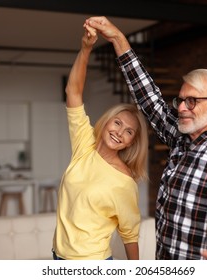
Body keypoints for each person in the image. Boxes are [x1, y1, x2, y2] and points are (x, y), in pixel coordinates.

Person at [86, 16, 207, 260]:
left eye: (193, 101)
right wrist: (117, 38)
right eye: (181, 100)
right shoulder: (181, 137)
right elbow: (148, 97)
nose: (181, 108)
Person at [52, 23, 149, 260]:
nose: (119, 132)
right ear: (106, 122)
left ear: (130, 143)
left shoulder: (124, 181)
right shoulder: (85, 145)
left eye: (128, 132)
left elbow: (130, 234)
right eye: (117, 123)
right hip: (58, 255)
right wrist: (86, 48)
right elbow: (73, 92)